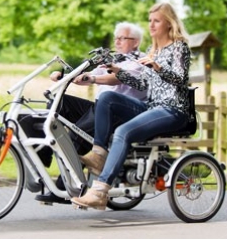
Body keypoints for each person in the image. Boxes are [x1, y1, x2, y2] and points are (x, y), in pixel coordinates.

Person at [71, 2, 191, 210]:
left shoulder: (179, 47)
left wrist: (158, 66)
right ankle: (98, 154)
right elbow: (142, 83)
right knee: (107, 98)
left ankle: (99, 192)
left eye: (157, 21)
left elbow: (181, 79)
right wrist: (118, 70)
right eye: (150, 20)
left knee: (123, 131)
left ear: (169, 24)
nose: (151, 25)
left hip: (173, 109)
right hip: (152, 107)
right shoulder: (154, 50)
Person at [35, 22, 147, 204]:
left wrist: (94, 78)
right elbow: (86, 77)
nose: (117, 41)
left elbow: (114, 78)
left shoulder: (139, 61)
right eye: (116, 38)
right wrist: (64, 78)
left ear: (135, 42)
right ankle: (45, 153)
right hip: (100, 108)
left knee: (78, 132)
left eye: (122, 38)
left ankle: (65, 188)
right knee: (60, 104)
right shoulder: (113, 59)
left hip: (120, 113)